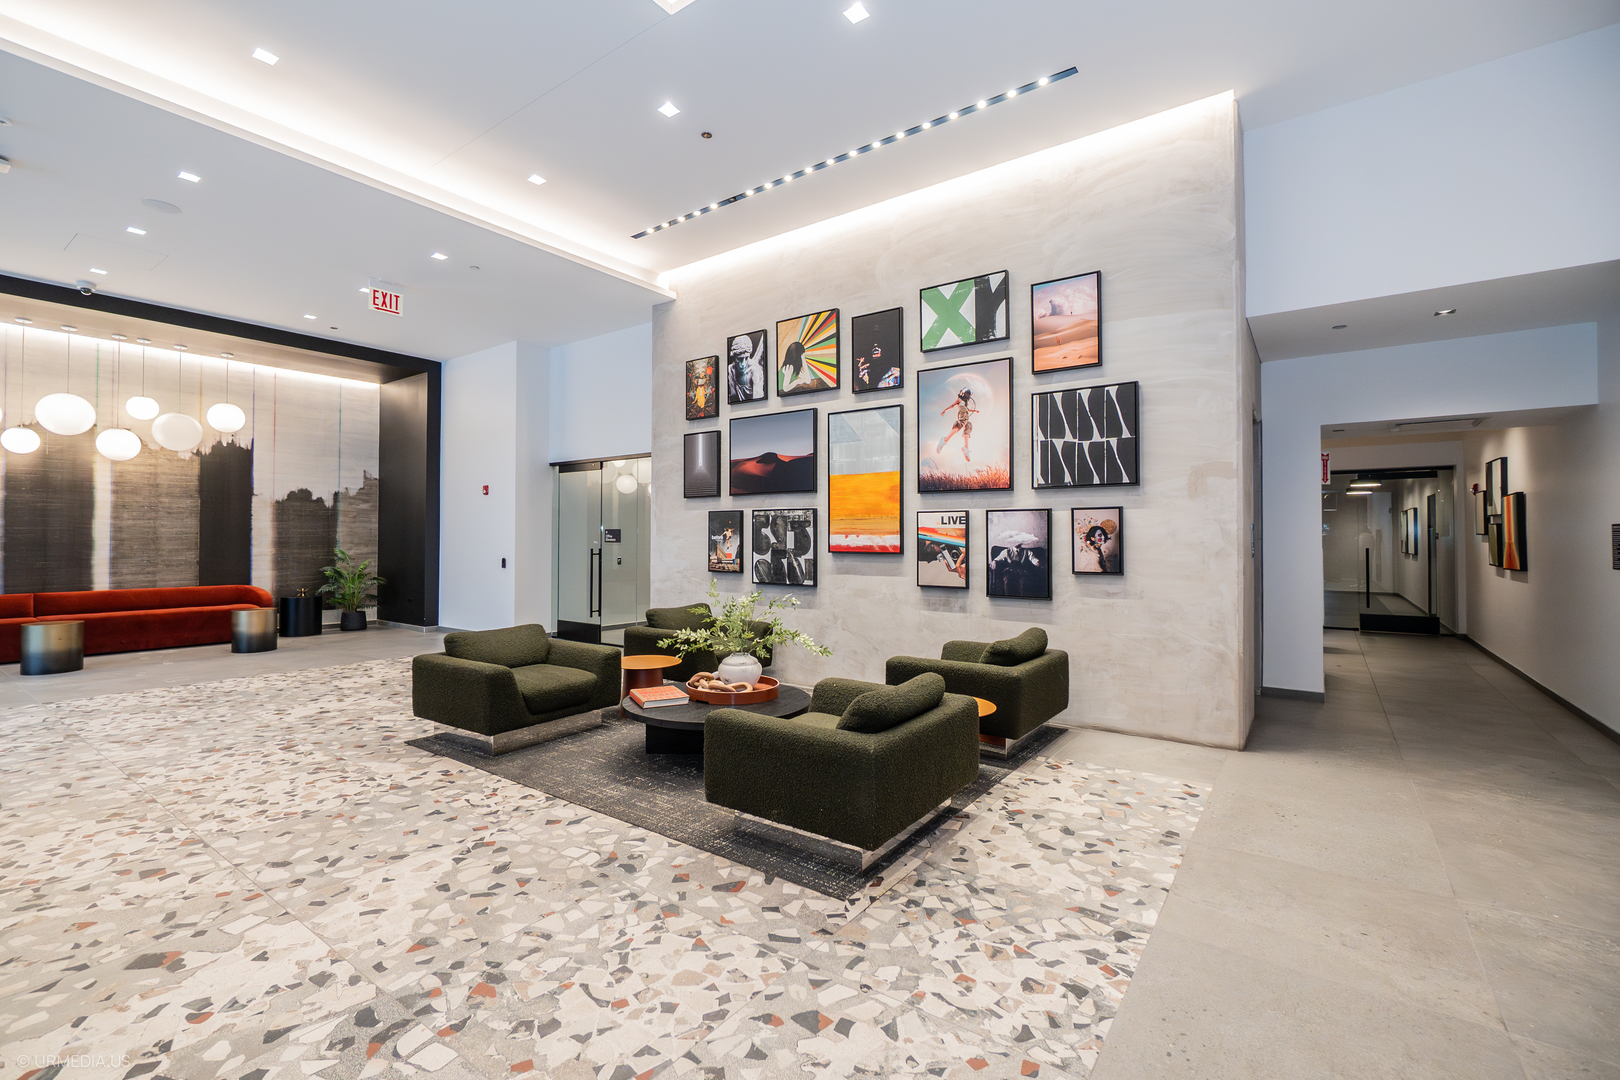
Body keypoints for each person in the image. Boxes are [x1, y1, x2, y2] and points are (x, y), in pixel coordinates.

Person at [936, 388, 977, 462]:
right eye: (966, 394)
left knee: (968, 427)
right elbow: (952, 405)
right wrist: (944, 411)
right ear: (963, 393)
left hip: (966, 418)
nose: (967, 396)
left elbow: (967, 409)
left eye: (968, 395)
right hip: (961, 417)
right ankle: (944, 440)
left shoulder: (965, 402)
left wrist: (974, 411)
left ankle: (966, 448)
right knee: (958, 426)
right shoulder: (959, 400)